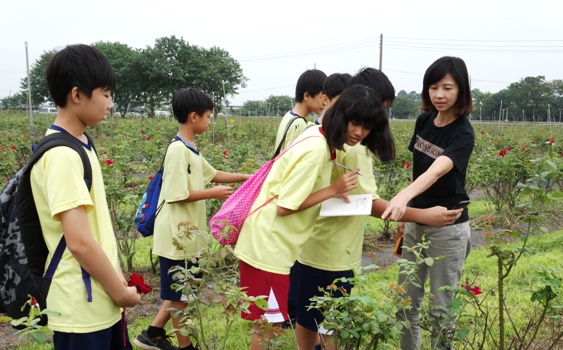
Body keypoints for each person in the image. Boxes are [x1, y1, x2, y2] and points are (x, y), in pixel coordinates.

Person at [293, 67, 462, 350]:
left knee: (309, 316)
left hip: (311, 244)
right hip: (331, 249)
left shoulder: (321, 133)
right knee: (328, 320)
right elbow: (367, 203)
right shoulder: (354, 146)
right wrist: (422, 215)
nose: (373, 124)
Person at [233, 84, 392, 349]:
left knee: (270, 323)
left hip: (273, 247)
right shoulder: (317, 150)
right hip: (267, 248)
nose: (359, 132)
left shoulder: (317, 137)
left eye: (367, 128)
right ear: (339, 113)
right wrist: (333, 189)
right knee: (267, 326)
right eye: (355, 123)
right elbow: (286, 206)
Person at [30, 44, 140, 350]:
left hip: (99, 300)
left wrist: (117, 285)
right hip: (80, 308)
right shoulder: (63, 154)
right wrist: (119, 293)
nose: (111, 103)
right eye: (105, 94)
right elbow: (78, 241)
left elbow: (96, 227)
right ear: (77, 95)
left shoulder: (81, 144)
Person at [134, 88, 251, 350]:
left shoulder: (191, 149)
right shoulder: (177, 150)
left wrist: (247, 178)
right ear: (194, 116)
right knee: (181, 297)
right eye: (209, 116)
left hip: (188, 234)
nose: (210, 122)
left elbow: (213, 173)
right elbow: (176, 195)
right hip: (177, 237)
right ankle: (185, 347)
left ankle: (151, 334)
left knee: (181, 292)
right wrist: (213, 194)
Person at [382, 56, 475, 350]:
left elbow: (437, 170)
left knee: (440, 310)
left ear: (461, 90)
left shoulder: (462, 132)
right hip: (417, 222)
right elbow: (419, 169)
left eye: (447, 88)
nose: (439, 95)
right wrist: (408, 215)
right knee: (405, 301)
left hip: (447, 227)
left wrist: (402, 198)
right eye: (433, 87)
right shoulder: (424, 120)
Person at [273, 69, 327, 154]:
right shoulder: (299, 124)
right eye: (322, 97)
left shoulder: (289, 116)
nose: (324, 102)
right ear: (307, 96)